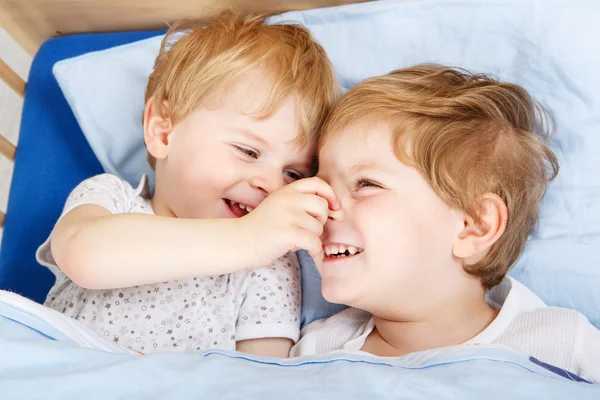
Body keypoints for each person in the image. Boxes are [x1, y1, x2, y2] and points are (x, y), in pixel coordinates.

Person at [36, 12, 340, 357]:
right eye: (248, 151)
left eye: (293, 175)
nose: (271, 184)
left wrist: (259, 243)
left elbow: (262, 377)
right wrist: (248, 236)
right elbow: (83, 255)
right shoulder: (111, 198)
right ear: (163, 132)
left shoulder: (268, 263)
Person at [291, 65, 600, 383]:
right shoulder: (318, 351)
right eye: (319, 184)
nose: (322, 204)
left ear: (474, 226)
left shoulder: (563, 345)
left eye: (366, 183)